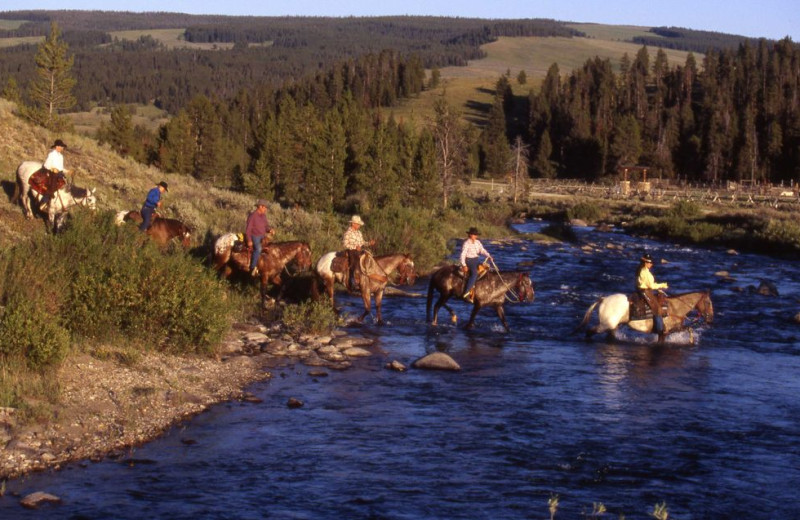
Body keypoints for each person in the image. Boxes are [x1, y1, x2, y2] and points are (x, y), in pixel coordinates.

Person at [636, 253, 669, 333]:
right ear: (645, 263)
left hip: (647, 290)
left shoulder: (645, 270)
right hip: (644, 291)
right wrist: (663, 285)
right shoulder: (644, 271)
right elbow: (651, 285)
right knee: (657, 308)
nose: (651, 264)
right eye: (649, 262)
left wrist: (659, 288)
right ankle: (660, 330)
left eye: (651, 262)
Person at [342, 215, 374, 292]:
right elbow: (345, 244)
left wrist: (369, 243)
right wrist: (355, 247)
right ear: (353, 224)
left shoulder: (359, 233)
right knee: (354, 263)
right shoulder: (347, 233)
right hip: (352, 251)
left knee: (369, 258)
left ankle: (367, 278)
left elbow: (362, 242)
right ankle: (352, 281)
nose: (359, 225)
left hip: (359, 250)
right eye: (358, 224)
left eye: (359, 224)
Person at [460, 227, 492, 303]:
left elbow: (482, 250)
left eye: (476, 235)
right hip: (469, 260)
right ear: (470, 235)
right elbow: (462, 255)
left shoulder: (478, 242)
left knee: (486, 268)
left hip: (476, 260)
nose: (476, 236)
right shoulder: (466, 243)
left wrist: (488, 256)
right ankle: (466, 293)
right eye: (474, 235)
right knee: (474, 274)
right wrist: (464, 265)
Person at [246, 199, 273, 277]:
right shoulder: (253, 216)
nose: (266, 209)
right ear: (260, 206)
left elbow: (266, 226)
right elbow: (248, 229)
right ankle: (252, 267)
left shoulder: (263, 216)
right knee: (258, 249)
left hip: (262, 236)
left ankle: (265, 266)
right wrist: (249, 240)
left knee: (270, 247)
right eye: (265, 207)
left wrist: (270, 230)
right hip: (255, 236)